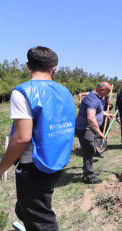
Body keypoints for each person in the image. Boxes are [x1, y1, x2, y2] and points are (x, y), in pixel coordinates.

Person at [0, 46, 76, 230]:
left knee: (41, 221)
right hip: (56, 161)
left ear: (28, 66)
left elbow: (21, 138)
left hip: (33, 165)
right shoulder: (65, 92)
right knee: (28, 207)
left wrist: (1, 168)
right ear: (54, 68)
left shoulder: (22, 92)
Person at [75, 82, 114, 184]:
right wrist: (99, 132)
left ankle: (88, 170)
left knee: (91, 149)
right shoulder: (91, 98)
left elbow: (97, 111)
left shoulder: (98, 98)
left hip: (89, 128)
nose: (107, 94)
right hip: (85, 128)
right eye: (107, 92)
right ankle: (89, 176)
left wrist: (105, 114)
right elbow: (91, 118)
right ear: (101, 90)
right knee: (88, 150)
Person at [78, 91, 113, 158]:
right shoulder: (94, 97)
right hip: (95, 119)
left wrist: (110, 104)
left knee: (103, 134)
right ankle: (92, 149)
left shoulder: (107, 97)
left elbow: (110, 107)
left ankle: (100, 151)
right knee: (94, 134)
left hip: (105, 119)